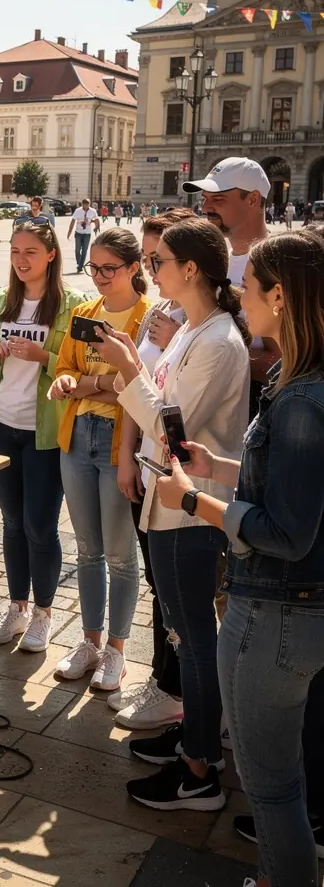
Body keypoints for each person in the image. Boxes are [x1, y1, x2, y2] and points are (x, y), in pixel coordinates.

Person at [155, 230, 324, 885]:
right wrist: (219, 466)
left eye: (248, 286)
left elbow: (287, 531)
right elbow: (286, 483)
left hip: (277, 613)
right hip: (289, 609)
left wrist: (193, 500)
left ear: (280, 297)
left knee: (273, 790)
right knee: (280, 783)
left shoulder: (303, 399)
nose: (238, 295)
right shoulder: (294, 378)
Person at [96, 219, 250, 813]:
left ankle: (200, 772)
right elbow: (163, 401)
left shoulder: (219, 341)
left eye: (158, 261)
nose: (150, 269)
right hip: (168, 500)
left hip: (190, 508)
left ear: (191, 269)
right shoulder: (192, 326)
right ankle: (193, 739)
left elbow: (172, 429)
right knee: (182, 633)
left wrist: (129, 369)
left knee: (194, 639)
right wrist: (135, 365)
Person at [0, 217, 88, 652]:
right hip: (1, 427)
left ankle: (43, 613)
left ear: (51, 255)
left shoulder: (73, 304)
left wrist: (44, 356)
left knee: (40, 526)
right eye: (15, 252)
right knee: (12, 522)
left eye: (31, 252)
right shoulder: (0, 300)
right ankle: (16, 607)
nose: (21, 260)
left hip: (45, 432)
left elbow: (81, 366)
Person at [50, 228, 151, 691]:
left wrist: (90, 386)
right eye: (94, 267)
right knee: (87, 548)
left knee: (119, 554)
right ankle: (89, 641)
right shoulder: (84, 314)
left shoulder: (148, 320)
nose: (99, 276)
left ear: (134, 268)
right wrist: (69, 383)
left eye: (110, 268)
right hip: (76, 436)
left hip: (120, 442)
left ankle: (117, 648)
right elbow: (65, 367)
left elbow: (142, 386)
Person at [110, 208, 192, 730]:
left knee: (174, 592)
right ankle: (165, 680)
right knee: (160, 585)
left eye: (155, 258)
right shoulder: (162, 310)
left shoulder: (198, 327)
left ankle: (176, 690)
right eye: (145, 256)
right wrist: (126, 457)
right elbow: (135, 393)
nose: (147, 267)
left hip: (173, 474)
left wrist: (156, 348)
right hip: (145, 465)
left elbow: (172, 411)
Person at [182, 158, 281, 426]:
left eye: (218, 199)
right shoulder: (216, 260)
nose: (205, 207)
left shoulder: (275, 264)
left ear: (253, 199)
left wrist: (191, 350)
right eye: (205, 198)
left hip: (253, 414)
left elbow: (283, 363)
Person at [67, 197, 100, 274]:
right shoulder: (78, 211)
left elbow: (96, 219)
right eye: (84, 204)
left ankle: (80, 266)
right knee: (77, 250)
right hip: (78, 232)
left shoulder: (92, 211)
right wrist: (69, 232)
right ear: (82, 204)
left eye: (87, 204)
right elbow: (73, 221)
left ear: (89, 204)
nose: (86, 206)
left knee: (84, 250)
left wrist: (97, 227)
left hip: (87, 233)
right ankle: (79, 263)